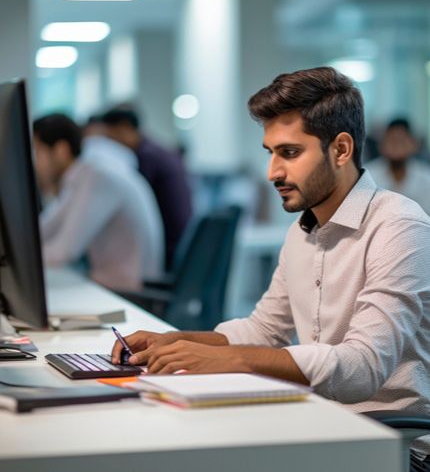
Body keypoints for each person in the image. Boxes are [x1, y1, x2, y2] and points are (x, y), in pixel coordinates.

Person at [111, 67, 430, 467]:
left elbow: (362, 367)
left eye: (290, 153)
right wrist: (175, 344)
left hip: (389, 446)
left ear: (341, 149)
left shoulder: (399, 226)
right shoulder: (303, 230)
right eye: (271, 153)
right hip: (319, 426)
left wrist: (231, 360)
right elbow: (264, 330)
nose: (273, 172)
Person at [34, 113, 164, 290]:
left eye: (37, 152)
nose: (34, 163)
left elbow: (65, 251)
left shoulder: (98, 177)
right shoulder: (82, 176)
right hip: (110, 285)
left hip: (130, 293)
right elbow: (44, 228)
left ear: (61, 150)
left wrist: (14, 261)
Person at [101, 107, 193, 269]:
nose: (110, 144)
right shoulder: (156, 150)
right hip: (181, 246)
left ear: (124, 128)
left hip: (168, 251)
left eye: (111, 136)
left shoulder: (145, 158)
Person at [366, 118, 430, 215]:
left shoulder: (426, 177)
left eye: (401, 141)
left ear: (414, 144)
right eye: (392, 140)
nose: (396, 146)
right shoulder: (368, 175)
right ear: (381, 145)